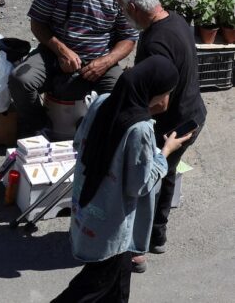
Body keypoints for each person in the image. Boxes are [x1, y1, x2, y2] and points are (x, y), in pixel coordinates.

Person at [52, 56, 192, 303]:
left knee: (117, 286)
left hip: (89, 208)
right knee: (90, 288)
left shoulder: (103, 102)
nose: (166, 100)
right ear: (153, 91)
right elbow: (139, 185)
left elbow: (78, 143)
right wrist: (165, 152)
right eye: (165, 93)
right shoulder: (140, 129)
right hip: (113, 226)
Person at [112, 0, 207, 272]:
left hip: (173, 122)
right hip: (192, 113)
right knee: (166, 173)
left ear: (133, 8)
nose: (121, 13)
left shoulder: (155, 44)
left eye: (120, 6)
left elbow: (160, 102)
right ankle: (157, 236)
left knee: (145, 178)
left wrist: (123, 115)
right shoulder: (175, 20)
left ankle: (138, 250)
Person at [9, 0, 139, 133]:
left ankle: (99, 137)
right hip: (54, 53)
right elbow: (38, 23)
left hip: (99, 59)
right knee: (20, 79)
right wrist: (61, 50)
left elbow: (129, 38)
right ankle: (40, 126)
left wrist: (105, 62)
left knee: (122, 90)